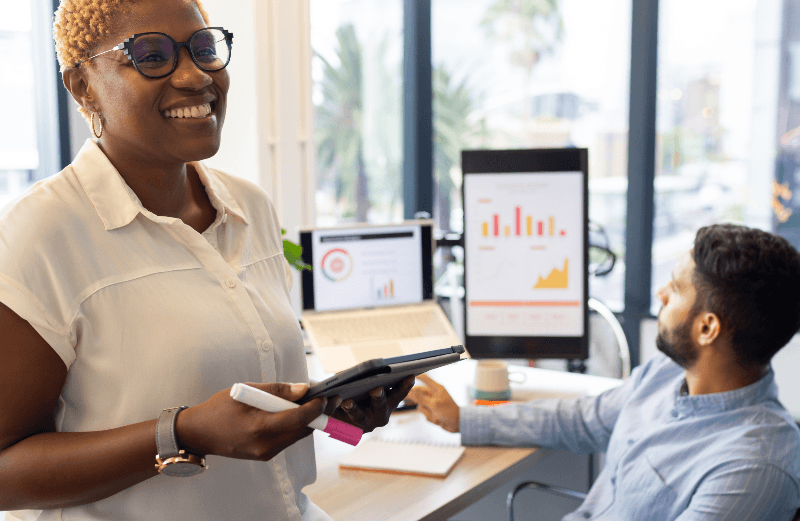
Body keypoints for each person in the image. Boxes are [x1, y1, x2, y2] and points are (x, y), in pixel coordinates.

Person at [0, 1, 413, 520]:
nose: (196, 76)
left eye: (204, 49)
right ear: (83, 85)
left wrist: (334, 412)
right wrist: (181, 433)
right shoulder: (38, 234)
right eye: (152, 55)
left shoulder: (249, 207)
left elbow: (254, 404)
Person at [409, 224, 800, 520]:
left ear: (707, 327)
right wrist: (463, 419)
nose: (661, 294)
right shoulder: (669, 373)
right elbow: (583, 419)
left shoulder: (752, 470)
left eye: (677, 288)